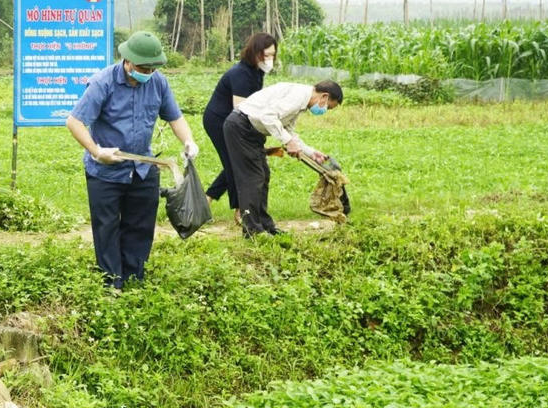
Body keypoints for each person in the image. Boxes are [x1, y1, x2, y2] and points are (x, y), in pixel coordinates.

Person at [66, 30, 199, 290]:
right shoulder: (103, 82)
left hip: (142, 168)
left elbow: (174, 117)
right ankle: (111, 286)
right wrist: (96, 151)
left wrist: (188, 140)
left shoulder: (158, 82)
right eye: (142, 67)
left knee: (140, 227)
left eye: (152, 68)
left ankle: (134, 282)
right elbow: (75, 121)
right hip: (106, 170)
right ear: (127, 61)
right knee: (107, 229)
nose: (147, 73)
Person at [225, 80, 343, 237]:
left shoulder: (301, 101)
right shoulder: (297, 97)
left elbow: (288, 130)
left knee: (263, 176)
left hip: (252, 131)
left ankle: (266, 225)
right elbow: (267, 116)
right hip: (241, 127)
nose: (325, 110)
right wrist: (287, 141)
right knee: (252, 178)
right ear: (324, 96)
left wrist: (310, 152)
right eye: (328, 106)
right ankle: (252, 230)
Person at [203, 32, 277, 220]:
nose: (269, 59)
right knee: (235, 163)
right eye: (265, 55)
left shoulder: (257, 72)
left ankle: (207, 199)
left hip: (234, 120)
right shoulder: (241, 74)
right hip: (220, 120)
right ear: (254, 53)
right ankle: (239, 210)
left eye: (272, 55)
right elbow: (241, 108)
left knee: (235, 162)